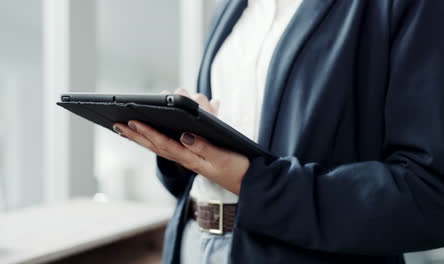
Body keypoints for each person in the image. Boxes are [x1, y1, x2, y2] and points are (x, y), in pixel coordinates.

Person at [112, 0, 444, 263]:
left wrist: (252, 182)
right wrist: (184, 150)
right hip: (192, 245)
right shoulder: (233, 7)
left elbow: (430, 194)